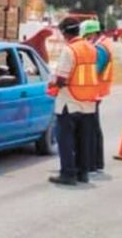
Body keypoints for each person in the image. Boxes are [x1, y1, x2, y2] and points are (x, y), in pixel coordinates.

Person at [48, 16, 99, 186]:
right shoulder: (91, 49)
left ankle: (68, 174)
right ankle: (82, 173)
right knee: (83, 140)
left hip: (68, 102)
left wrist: (52, 83)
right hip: (88, 103)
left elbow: (62, 78)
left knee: (66, 140)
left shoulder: (69, 50)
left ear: (64, 33)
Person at [80, 18, 113, 173]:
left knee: (90, 129)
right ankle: (96, 162)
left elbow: (94, 71)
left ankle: (92, 163)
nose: (85, 40)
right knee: (94, 127)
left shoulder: (100, 48)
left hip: (94, 91)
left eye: (87, 36)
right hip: (96, 91)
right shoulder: (103, 44)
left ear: (93, 33)